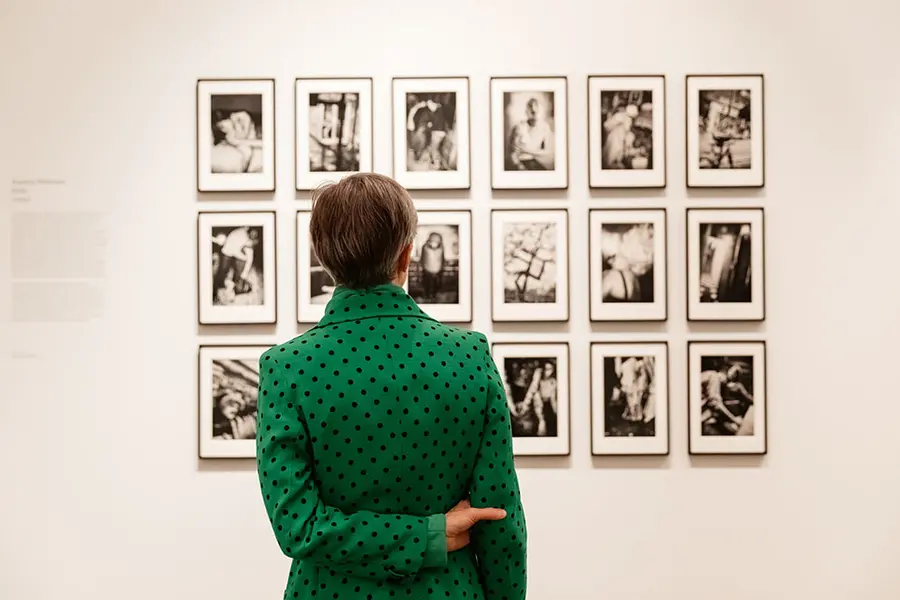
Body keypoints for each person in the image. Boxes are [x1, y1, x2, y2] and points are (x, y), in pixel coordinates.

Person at [255, 173, 527, 600]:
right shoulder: (469, 356)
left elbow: (298, 526)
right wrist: (430, 535)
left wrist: (420, 537)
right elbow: (499, 521)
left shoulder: (287, 369)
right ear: (406, 254)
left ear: (324, 259)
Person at [506, 97, 554, 170]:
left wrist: (527, 150)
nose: (534, 113)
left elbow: (548, 152)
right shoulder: (519, 127)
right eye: (532, 111)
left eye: (537, 110)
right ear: (526, 111)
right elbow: (512, 154)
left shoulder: (544, 127)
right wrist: (519, 166)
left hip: (533, 161)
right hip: (520, 163)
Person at [418, 231, 445, 301]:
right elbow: (422, 257)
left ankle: (433, 295)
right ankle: (427, 296)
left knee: (436, 284)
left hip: (437, 270)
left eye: (436, 241)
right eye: (433, 240)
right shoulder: (425, 247)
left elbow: (442, 258)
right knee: (427, 283)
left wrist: (442, 267)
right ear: (429, 240)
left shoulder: (441, 249)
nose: (434, 243)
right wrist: (422, 266)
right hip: (427, 270)